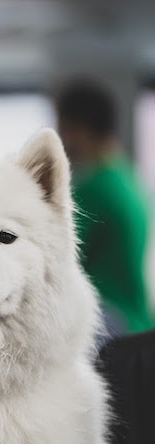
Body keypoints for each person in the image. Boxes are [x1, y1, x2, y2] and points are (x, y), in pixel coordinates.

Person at [56, 79, 153, 336]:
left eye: (63, 128)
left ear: (79, 128)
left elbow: (55, 257)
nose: (61, 139)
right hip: (137, 318)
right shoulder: (126, 177)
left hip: (112, 319)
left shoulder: (98, 189)